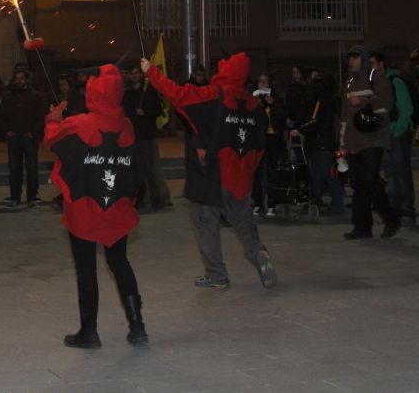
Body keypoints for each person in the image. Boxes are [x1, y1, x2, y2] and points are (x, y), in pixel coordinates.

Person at [143, 54, 277, 290]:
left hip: (213, 176)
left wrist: (152, 72)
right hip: (241, 180)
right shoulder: (254, 105)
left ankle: (216, 274)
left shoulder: (214, 95)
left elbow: (177, 94)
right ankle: (258, 253)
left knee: (204, 221)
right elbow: (260, 146)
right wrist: (246, 174)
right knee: (243, 222)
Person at [44, 64, 146, 349]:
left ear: (92, 92)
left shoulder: (80, 124)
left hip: (85, 208)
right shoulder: (127, 125)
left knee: (86, 269)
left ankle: (89, 332)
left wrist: (53, 118)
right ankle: (137, 326)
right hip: (116, 208)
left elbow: (52, 140)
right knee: (120, 263)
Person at [340, 46, 400, 240]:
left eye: (355, 58)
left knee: (370, 179)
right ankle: (362, 227)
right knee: (359, 183)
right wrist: (342, 141)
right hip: (353, 140)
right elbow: (345, 115)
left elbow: (388, 103)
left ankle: (391, 219)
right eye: (350, 58)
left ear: (364, 59)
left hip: (373, 138)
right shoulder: (349, 81)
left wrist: (365, 101)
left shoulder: (377, 76)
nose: (351, 62)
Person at [294, 71, 344, 218]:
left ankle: (335, 205)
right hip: (323, 143)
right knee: (320, 175)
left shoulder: (319, 101)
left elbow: (314, 121)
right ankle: (318, 202)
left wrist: (300, 130)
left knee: (326, 175)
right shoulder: (328, 101)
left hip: (320, 143)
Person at [0, 68, 49, 207]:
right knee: (14, 169)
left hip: (29, 138)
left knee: (32, 168)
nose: (19, 81)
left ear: (26, 79)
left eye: (21, 78)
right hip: (14, 137)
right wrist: (6, 131)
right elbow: (2, 116)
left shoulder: (36, 96)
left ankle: (32, 197)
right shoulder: (8, 96)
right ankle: (15, 197)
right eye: (17, 78)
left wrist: (33, 132)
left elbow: (41, 116)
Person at [379, 53, 417, 223]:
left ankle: (407, 210)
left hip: (397, 135)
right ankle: (396, 210)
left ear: (381, 65)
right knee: (391, 176)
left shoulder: (395, 82)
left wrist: (396, 131)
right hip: (385, 136)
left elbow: (406, 109)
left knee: (401, 174)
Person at [122, 63, 164, 211]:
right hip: (133, 137)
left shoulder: (149, 92)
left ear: (141, 75)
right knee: (136, 171)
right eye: (131, 73)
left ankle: (158, 200)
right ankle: (138, 200)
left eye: (136, 73)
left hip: (147, 136)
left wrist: (145, 112)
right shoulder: (126, 95)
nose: (134, 75)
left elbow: (159, 111)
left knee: (151, 171)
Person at [251, 72, 288, 217]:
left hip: (273, 139)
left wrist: (273, 105)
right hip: (259, 140)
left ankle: (272, 203)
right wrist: (257, 106)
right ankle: (258, 203)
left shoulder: (276, 99)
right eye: (260, 82)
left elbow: (283, 119)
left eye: (265, 82)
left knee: (273, 172)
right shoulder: (253, 99)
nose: (263, 84)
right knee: (257, 173)